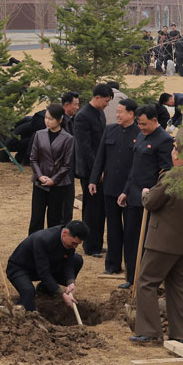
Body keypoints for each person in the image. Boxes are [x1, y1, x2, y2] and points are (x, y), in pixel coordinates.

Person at [131, 145, 183, 343]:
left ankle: (150, 331)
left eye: (174, 150)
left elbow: (151, 202)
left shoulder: (172, 177)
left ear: (178, 154)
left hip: (162, 242)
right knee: (179, 288)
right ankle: (179, 335)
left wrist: (146, 194)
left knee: (146, 282)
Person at [118, 104, 175, 289]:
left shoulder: (164, 140)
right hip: (133, 195)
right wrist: (125, 191)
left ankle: (144, 278)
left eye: (144, 124)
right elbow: (134, 167)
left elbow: (166, 171)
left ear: (155, 121)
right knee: (130, 237)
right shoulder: (141, 136)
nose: (141, 127)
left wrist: (154, 194)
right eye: (139, 124)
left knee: (145, 241)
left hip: (150, 198)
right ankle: (131, 276)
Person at [88, 98, 139, 275]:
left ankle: (131, 269)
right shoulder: (110, 130)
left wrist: (128, 189)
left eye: (120, 112)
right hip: (110, 187)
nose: (117, 115)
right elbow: (100, 157)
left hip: (130, 191)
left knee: (131, 231)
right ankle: (112, 265)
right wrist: (93, 180)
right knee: (113, 228)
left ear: (131, 114)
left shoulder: (139, 134)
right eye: (116, 111)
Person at [6, 220, 87, 313]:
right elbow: (43, 273)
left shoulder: (68, 242)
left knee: (77, 260)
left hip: (43, 265)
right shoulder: (43, 240)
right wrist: (62, 294)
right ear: (65, 233)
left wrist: (71, 282)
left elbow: (69, 263)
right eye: (74, 243)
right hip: (20, 268)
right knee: (28, 291)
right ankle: (21, 312)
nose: (75, 247)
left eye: (77, 244)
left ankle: (45, 288)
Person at [73, 84, 112, 257]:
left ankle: (97, 242)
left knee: (100, 209)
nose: (107, 105)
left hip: (101, 168)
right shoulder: (82, 116)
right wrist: (97, 171)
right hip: (90, 170)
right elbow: (85, 148)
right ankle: (90, 245)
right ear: (97, 97)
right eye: (106, 101)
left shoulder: (100, 113)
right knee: (91, 209)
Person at [28, 103, 75, 234]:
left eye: (51, 119)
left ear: (60, 120)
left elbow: (67, 164)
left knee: (54, 220)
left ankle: (52, 248)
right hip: (40, 182)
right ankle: (33, 247)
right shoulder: (39, 134)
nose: (47, 121)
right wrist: (40, 176)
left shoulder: (68, 138)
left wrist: (53, 180)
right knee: (36, 218)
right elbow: (33, 158)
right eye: (46, 118)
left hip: (58, 184)